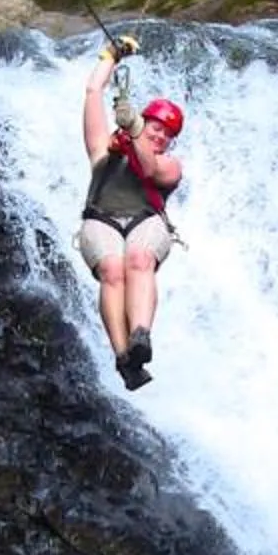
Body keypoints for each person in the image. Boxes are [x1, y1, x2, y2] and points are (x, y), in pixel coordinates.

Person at [77, 39, 183, 392]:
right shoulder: (102, 152)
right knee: (111, 270)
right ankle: (125, 359)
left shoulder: (169, 166)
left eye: (166, 135)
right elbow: (93, 92)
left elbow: (149, 170)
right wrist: (110, 57)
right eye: (155, 127)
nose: (159, 136)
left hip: (145, 220)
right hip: (101, 218)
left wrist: (136, 129)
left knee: (138, 258)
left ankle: (141, 335)